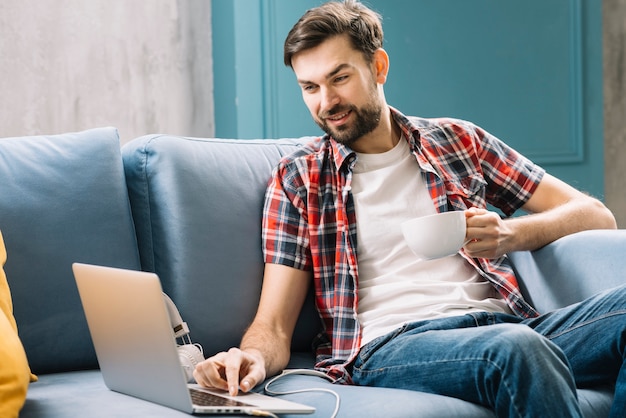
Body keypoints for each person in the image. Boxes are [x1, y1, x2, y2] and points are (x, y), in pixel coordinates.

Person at [194, 1, 626, 416]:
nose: (326, 102)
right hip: (393, 344)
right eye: (310, 87)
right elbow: (274, 324)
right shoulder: (301, 179)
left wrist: (512, 235)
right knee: (515, 349)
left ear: (378, 66)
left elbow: (594, 215)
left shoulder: (458, 141)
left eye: (339, 78)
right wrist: (249, 357)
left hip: (505, 325)